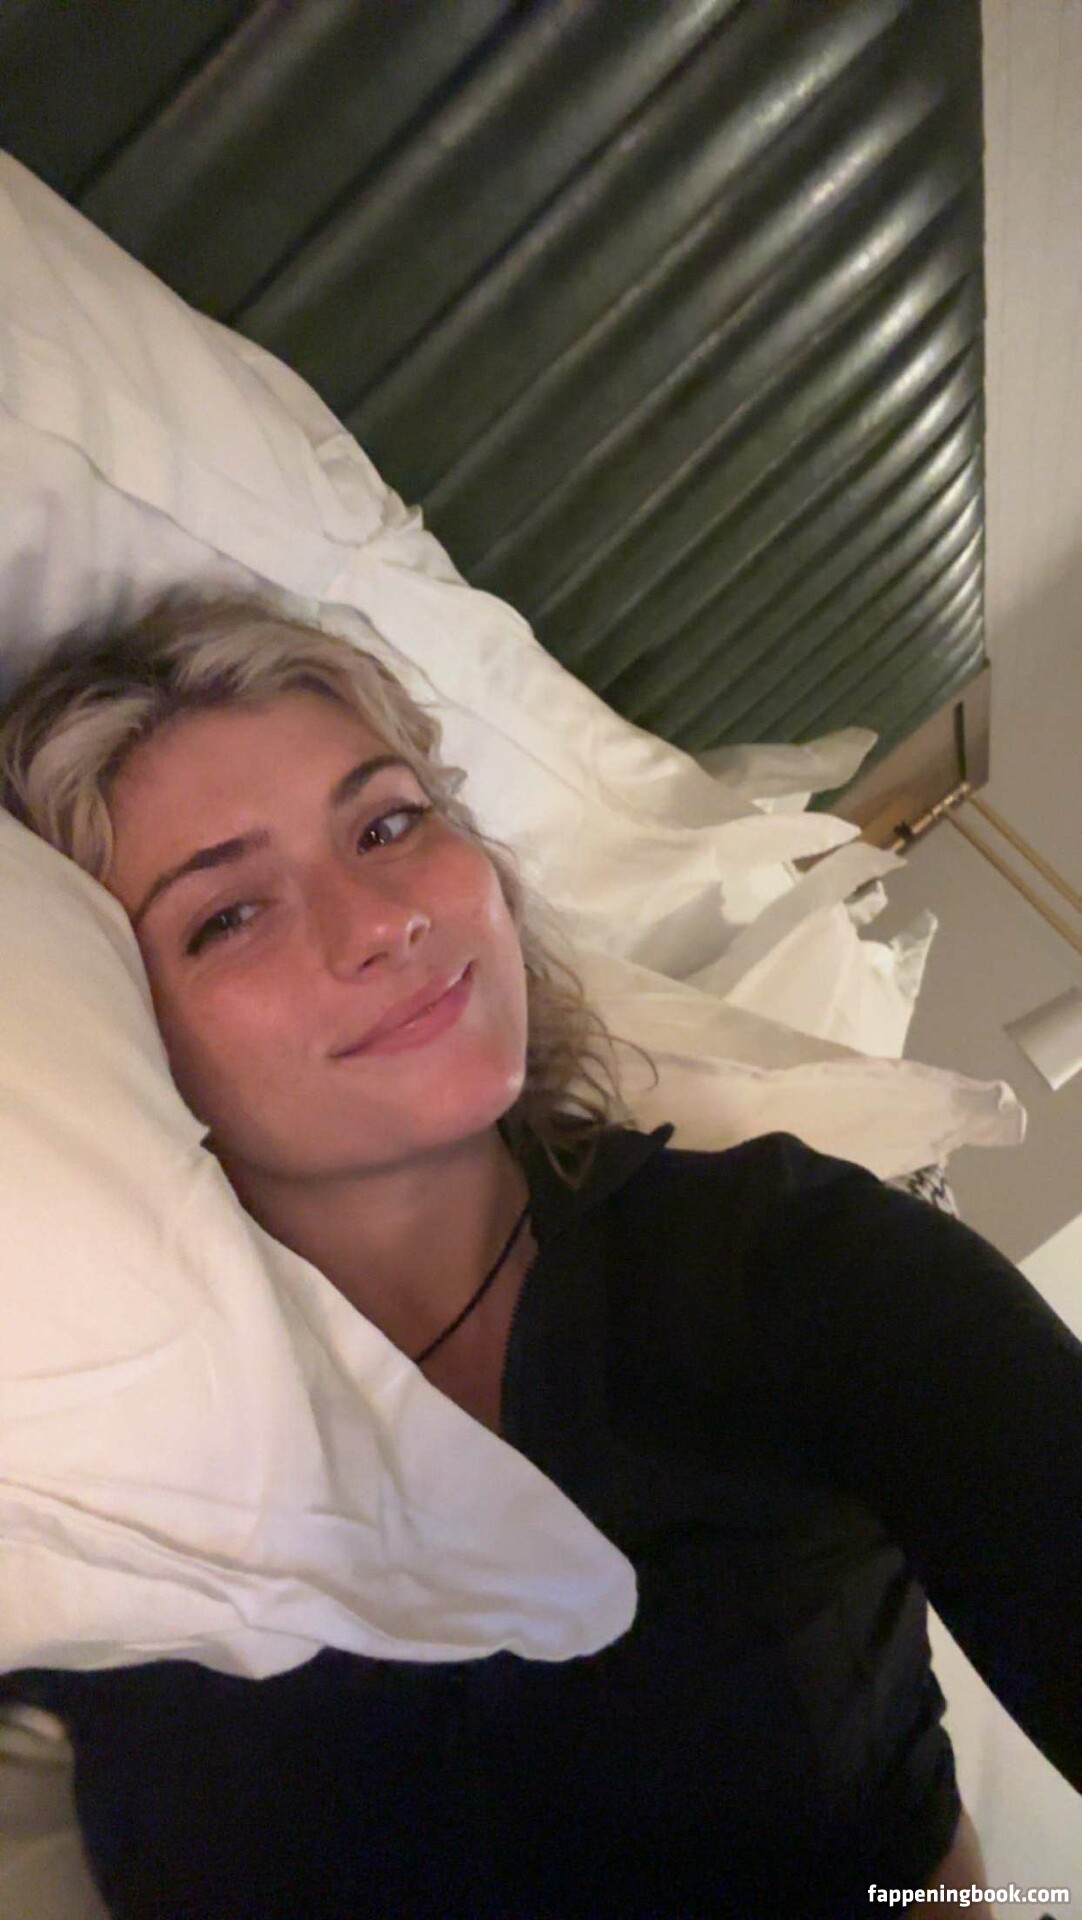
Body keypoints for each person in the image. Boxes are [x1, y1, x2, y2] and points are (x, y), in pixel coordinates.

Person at [0, 589, 1078, 1920]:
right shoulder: (80, 1481)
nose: (380, 919)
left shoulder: (797, 1269)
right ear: (111, 1026)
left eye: (386, 824)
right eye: (228, 915)